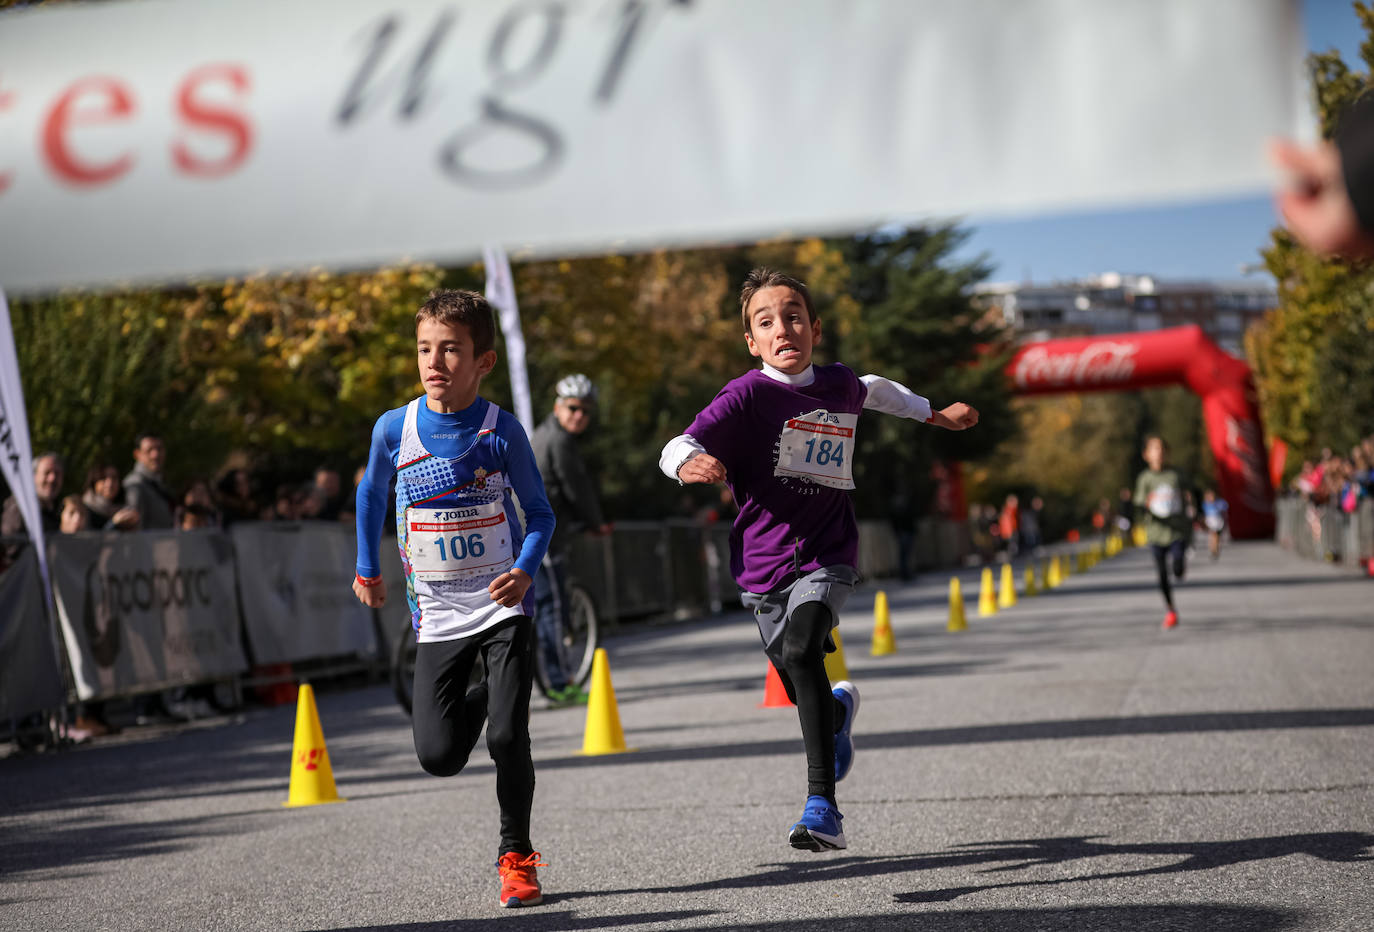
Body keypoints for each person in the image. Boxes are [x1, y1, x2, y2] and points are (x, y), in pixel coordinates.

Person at [659, 268, 978, 852]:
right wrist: (685, 463)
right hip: (761, 569)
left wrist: (934, 414)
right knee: (798, 675)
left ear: (815, 328)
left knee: (806, 650)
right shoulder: (747, 395)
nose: (783, 329)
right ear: (751, 341)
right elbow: (680, 442)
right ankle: (835, 714)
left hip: (827, 554)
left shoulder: (837, 384)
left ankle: (822, 806)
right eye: (766, 322)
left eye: (794, 316)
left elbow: (877, 388)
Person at [351, 289, 555, 908]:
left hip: (502, 606)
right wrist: (367, 567)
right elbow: (369, 497)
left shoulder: (501, 430)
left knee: (504, 739)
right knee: (439, 756)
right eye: (424, 349)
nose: (434, 362)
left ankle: (516, 859)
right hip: (437, 614)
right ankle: (489, 693)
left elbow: (540, 515)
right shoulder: (396, 428)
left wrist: (522, 571)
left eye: (450, 350)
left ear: (482, 360)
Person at [530, 373, 612, 704]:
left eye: (586, 411)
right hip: (540, 536)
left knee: (541, 605)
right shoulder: (558, 441)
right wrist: (597, 523)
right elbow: (576, 489)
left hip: (529, 531)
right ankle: (560, 683)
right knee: (553, 608)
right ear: (558, 407)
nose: (579, 416)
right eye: (574, 408)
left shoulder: (541, 435)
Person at [1133, 435, 1197, 629]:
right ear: (1146, 455)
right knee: (1162, 574)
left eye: (1162, 449)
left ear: (1167, 453)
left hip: (1177, 530)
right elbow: (1138, 504)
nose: (1159, 453)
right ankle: (1170, 610)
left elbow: (1194, 492)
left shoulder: (1176, 475)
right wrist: (1146, 508)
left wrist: (1195, 508)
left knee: (1176, 569)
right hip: (1156, 532)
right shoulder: (1145, 479)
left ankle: (1181, 564)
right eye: (1154, 449)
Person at [2, 451, 64, 570]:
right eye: (47, 473)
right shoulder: (20, 505)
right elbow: (11, 546)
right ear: (34, 476)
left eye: (57, 473)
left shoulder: (58, 510)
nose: (52, 478)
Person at [123, 433, 176, 530]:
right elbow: (134, 529)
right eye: (149, 450)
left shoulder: (160, 481)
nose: (155, 455)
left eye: (159, 449)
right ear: (137, 454)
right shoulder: (135, 485)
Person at [81, 464, 141, 531]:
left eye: (114, 478)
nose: (110, 484)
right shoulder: (84, 510)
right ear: (94, 483)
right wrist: (113, 523)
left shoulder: (125, 507)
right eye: (103, 478)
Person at [1200, 489, 1228, 561]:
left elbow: (1225, 512)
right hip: (1210, 522)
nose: (1210, 497)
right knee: (1212, 536)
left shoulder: (1220, 503)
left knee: (1217, 537)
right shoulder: (1205, 504)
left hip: (1219, 522)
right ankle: (1213, 550)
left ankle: (1215, 549)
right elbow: (1203, 515)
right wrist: (1203, 523)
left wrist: (1225, 521)